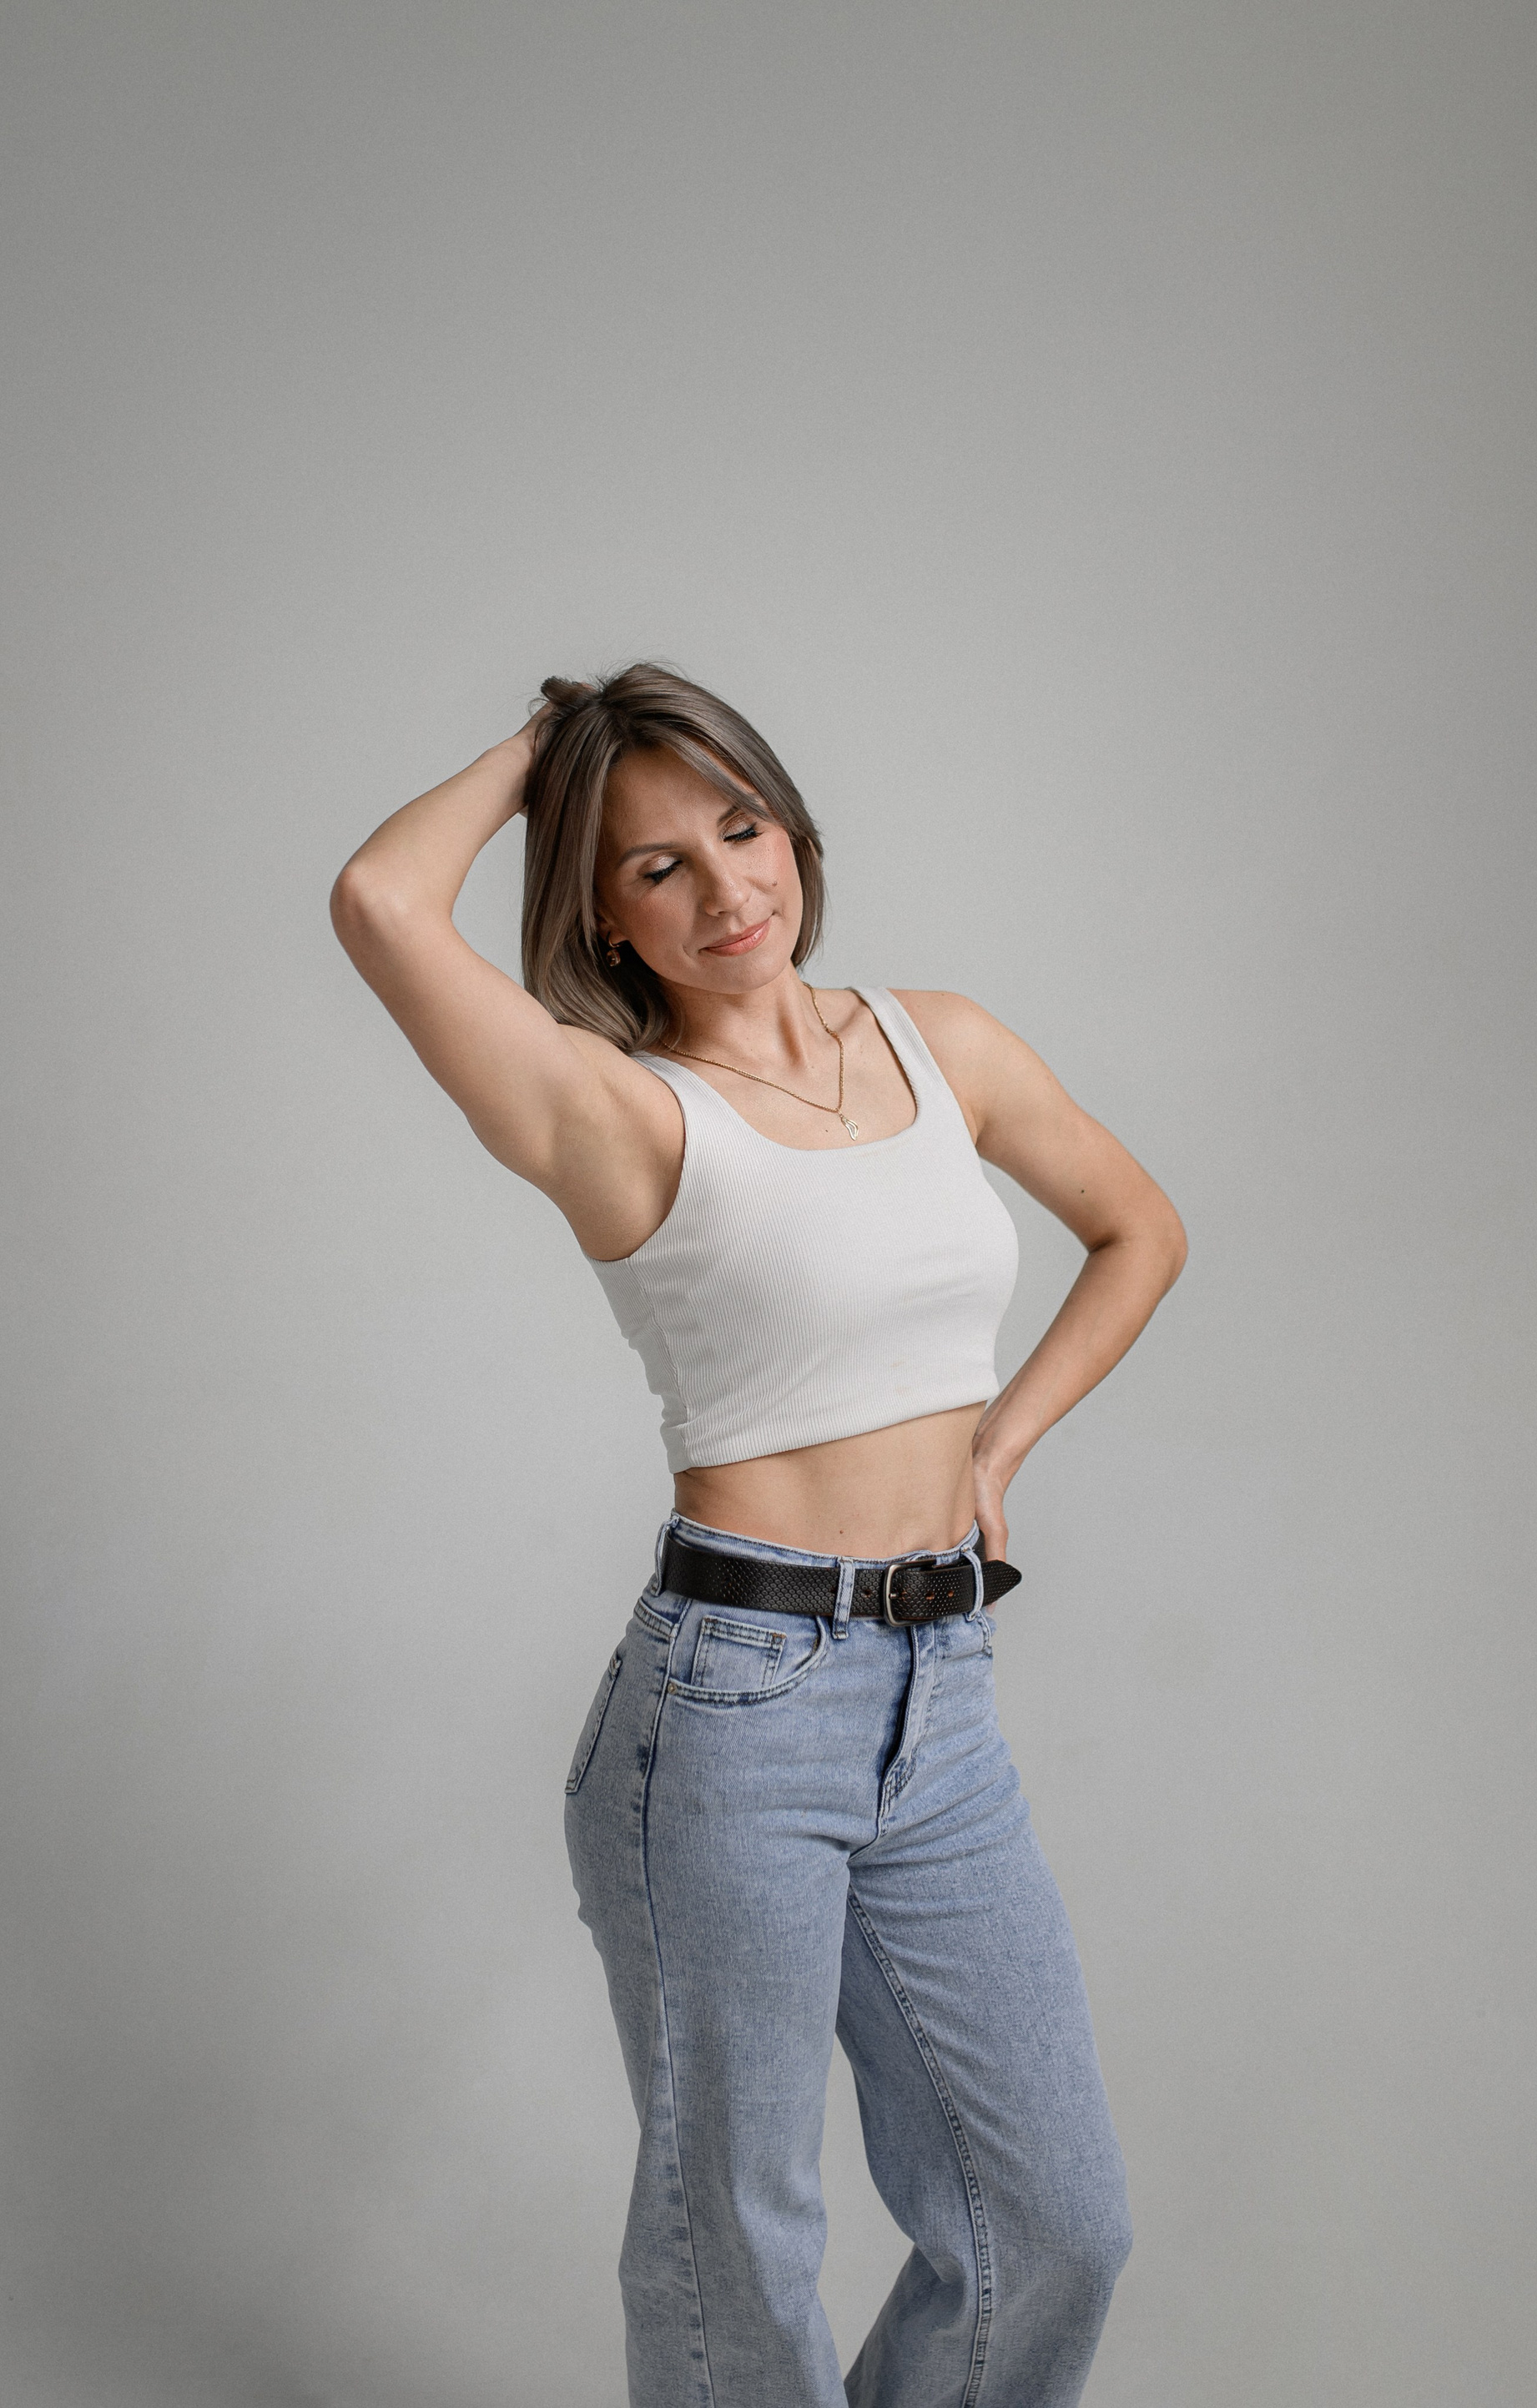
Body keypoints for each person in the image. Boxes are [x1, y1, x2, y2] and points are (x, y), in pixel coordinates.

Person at [330, 662, 1187, 2408]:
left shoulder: (944, 1046)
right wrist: (549, 745)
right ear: (604, 913)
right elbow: (380, 901)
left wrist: (1003, 1438)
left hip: (943, 1697)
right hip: (734, 1707)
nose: (728, 889)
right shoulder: (617, 1110)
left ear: (792, 825)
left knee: (1055, 2224)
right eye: (657, 865)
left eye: (742, 828)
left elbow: (1140, 1227)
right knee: (738, 2230)